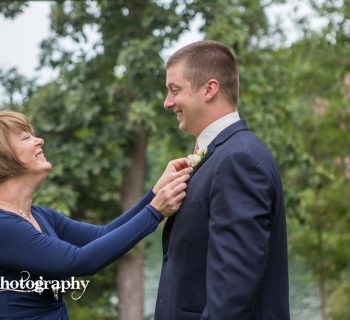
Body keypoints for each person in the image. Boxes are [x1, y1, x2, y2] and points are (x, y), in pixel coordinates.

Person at [0, 110, 192, 319]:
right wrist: (154, 212)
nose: (40, 140)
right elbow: (79, 261)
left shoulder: (41, 216)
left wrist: (154, 193)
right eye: (26, 137)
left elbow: (103, 234)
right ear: (3, 160)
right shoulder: (4, 227)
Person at [154, 40, 290, 319]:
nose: (167, 103)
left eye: (174, 90)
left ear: (209, 89)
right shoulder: (221, 155)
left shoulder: (240, 160)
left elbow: (231, 294)